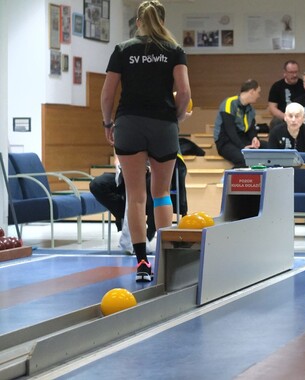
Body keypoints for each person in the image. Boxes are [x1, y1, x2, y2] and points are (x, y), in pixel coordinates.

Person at [101, 0, 191, 282]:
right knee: (161, 193)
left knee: (136, 197)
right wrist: (174, 119)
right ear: (162, 22)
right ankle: (166, 262)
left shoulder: (123, 49)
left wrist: (107, 122)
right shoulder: (174, 50)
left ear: (137, 22)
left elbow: (107, 94)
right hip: (163, 124)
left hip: (129, 124)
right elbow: (185, 92)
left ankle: (142, 263)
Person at [213, 79, 266, 168]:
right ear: (252, 91)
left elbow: (251, 128)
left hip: (243, 139)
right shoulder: (229, 103)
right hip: (226, 141)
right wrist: (243, 147)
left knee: (268, 148)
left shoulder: (251, 109)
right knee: (245, 160)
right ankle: (229, 179)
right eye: (258, 92)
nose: (259, 96)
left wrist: (254, 138)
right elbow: (230, 130)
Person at [267, 60, 305, 127]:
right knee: (275, 122)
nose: (294, 75)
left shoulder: (304, 85)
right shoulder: (277, 86)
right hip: (283, 118)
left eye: (296, 72)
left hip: (300, 118)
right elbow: (272, 108)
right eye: (291, 72)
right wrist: (286, 117)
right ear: (285, 73)